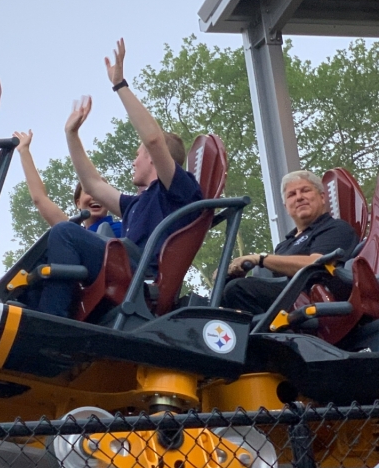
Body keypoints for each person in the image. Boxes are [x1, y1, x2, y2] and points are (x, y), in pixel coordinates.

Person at [26, 39, 202, 318]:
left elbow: (154, 139)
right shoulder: (135, 204)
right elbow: (93, 184)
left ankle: (54, 320)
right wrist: (71, 135)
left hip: (142, 273)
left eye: (138, 154)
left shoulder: (177, 191)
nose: (133, 161)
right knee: (41, 256)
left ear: (155, 159)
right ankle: (25, 318)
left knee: (64, 232)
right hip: (125, 261)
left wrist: (120, 85)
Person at [221, 170, 358, 314]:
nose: (299, 198)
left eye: (305, 190)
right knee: (225, 288)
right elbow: (270, 281)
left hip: (310, 302)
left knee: (237, 288)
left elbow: (315, 264)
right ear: (286, 207)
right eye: (292, 194)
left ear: (322, 197)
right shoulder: (284, 246)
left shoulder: (335, 228)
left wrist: (259, 258)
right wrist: (232, 272)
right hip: (285, 299)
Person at [13, 129, 122, 237]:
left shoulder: (122, 228)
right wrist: (24, 151)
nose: (95, 197)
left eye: (101, 193)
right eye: (89, 192)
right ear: (78, 203)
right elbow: (40, 199)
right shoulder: (75, 235)